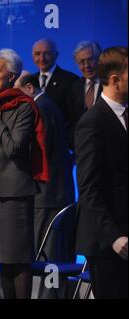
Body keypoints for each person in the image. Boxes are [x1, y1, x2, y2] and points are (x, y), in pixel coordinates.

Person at [0, 49, 49, 299]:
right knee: (2, 258)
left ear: (12, 75)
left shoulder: (25, 107)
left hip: (15, 193)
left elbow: (14, 148)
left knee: (19, 259)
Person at [15, 72, 75, 298]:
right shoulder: (48, 105)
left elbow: (40, 150)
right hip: (54, 192)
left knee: (48, 250)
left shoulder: (42, 108)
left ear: (29, 89)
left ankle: (49, 296)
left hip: (48, 194)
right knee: (51, 248)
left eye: (19, 93)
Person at [75, 46, 128, 299]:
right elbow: (88, 189)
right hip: (109, 243)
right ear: (116, 80)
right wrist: (114, 237)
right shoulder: (92, 122)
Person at [32, 38, 79, 143]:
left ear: (56, 55)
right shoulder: (30, 81)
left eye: (46, 53)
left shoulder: (71, 80)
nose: (42, 58)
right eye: (37, 54)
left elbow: (74, 119)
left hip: (60, 145)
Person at [68, 41, 103, 149]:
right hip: (82, 148)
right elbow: (71, 120)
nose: (87, 66)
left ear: (99, 59)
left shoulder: (111, 83)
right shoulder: (74, 87)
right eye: (82, 62)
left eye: (90, 60)